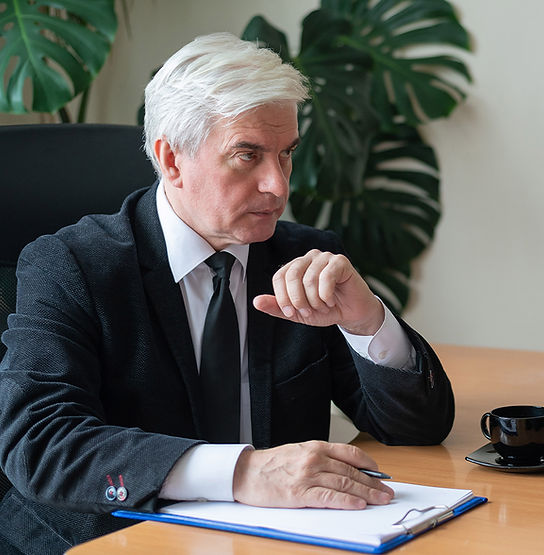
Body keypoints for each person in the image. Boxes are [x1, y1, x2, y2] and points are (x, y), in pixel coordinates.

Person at [0, 33, 454, 552]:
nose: (279, 186)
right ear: (171, 160)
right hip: (113, 537)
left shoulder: (302, 259)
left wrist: (368, 321)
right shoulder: (72, 266)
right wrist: (244, 472)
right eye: (248, 155)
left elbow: (419, 428)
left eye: (286, 154)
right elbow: (40, 444)